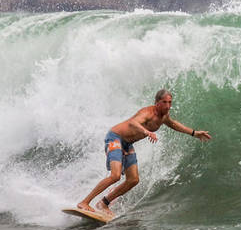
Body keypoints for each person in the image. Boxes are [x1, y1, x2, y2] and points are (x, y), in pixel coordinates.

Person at [77, 89, 211, 215]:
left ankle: (103, 203)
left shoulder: (164, 116)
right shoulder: (147, 113)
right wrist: (147, 132)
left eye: (170, 102)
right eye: (164, 102)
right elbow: (133, 123)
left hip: (127, 143)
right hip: (115, 138)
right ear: (157, 102)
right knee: (115, 175)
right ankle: (84, 202)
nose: (168, 106)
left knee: (133, 180)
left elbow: (174, 124)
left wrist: (194, 133)